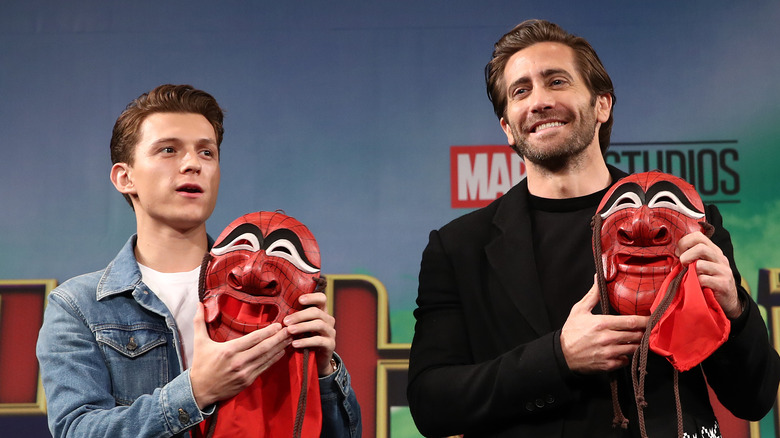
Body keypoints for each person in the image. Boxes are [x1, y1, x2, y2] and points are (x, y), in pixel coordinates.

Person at [407, 19, 780, 438]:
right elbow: (431, 403)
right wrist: (559, 358)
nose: (539, 101)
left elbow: (755, 398)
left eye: (557, 81)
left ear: (602, 104)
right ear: (508, 129)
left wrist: (734, 310)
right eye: (521, 91)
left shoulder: (687, 220)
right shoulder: (459, 248)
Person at [36, 84, 362, 438]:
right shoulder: (79, 306)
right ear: (125, 177)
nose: (192, 164)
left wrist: (324, 371)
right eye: (168, 150)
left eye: (206, 153)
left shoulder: (275, 289)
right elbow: (76, 430)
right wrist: (196, 391)